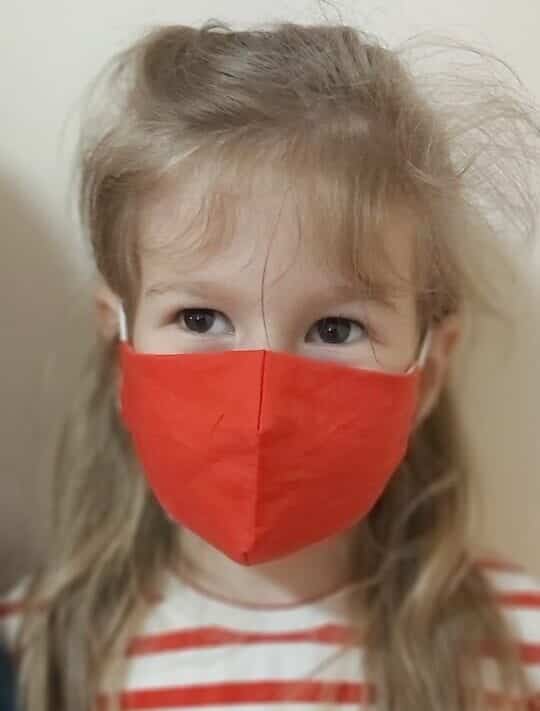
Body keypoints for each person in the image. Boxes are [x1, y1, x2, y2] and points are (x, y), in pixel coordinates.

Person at [1, 20, 539, 711]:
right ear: (119, 349)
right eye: (201, 319)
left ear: (428, 374)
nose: (262, 408)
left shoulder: (515, 653)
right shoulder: (34, 655)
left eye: (336, 328)